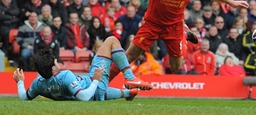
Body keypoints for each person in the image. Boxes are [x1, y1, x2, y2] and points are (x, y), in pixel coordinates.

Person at [109, 0, 249, 81]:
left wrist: (231, 2)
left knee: (175, 66)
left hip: (174, 27)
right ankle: (102, 83)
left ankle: (184, 35)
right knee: (130, 55)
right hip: (152, 24)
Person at [13, 36, 153, 101]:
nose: (58, 63)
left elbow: (24, 98)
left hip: (97, 95)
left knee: (102, 93)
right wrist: (96, 81)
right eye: (56, 62)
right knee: (111, 40)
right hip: (94, 85)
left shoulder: (38, 83)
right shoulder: (65, 75)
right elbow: (84, 97)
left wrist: (20, 82)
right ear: (53, 68)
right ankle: (130, 77)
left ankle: (130, 93)